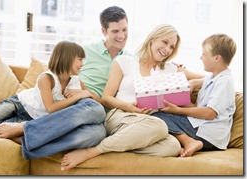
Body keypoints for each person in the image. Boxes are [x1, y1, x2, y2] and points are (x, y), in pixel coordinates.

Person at [60, 24, 205, 170]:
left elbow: (211, 78)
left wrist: (193, 83)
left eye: (172, 47)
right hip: (121, 115)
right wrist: (128, 107)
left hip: (147, 123)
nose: (167, 49)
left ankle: (119, 144)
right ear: (152, 39)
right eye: (165, 42)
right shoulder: (125, 61)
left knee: (172, 146)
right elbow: (106, 98)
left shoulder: (171, 69)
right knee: (160, 126)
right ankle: (93, 151)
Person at [0, 41, 107, 160]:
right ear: (67, 58)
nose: (82, 64)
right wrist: (77, 96)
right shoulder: (47, 78)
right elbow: (51, 108)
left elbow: (98, 102)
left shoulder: (75, 81)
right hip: (20, 104)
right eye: (79, 59)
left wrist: (84, 93)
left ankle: (20, 133)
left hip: (34, 118)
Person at [151, 33, 237, 157]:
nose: (201, 58)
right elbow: (198, 105)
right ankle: (186, 141)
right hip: (202, 128)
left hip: (209, 134)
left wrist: (179, 110)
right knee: (161, 115)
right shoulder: (213, 78)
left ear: (217, 58)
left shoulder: (225, 82)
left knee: (157, 116)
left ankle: (189, 141)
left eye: (204, 54)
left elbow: (209, 113)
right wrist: (188, 87)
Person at [78, 5, 132, 98]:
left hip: (103, 108)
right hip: (80, 100)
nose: (121, 36)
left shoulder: (131, 60)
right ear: (104, 31)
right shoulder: (85, 50)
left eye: (125, 30)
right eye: (115, 31)